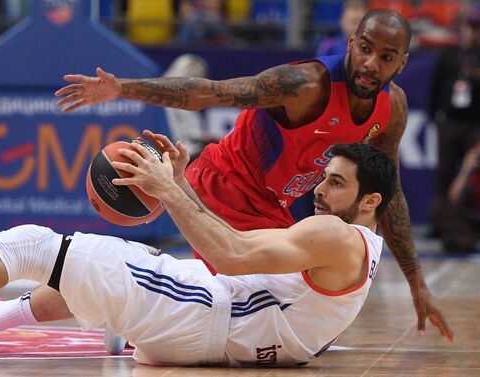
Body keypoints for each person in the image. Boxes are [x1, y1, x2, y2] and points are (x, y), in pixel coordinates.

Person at [53, 8, 453, 341]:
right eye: (365, 49)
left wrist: (416, 281)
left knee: (295, 307)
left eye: (385, 57)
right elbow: (210, 91)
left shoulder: (392, 109)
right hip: (223, 183)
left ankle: (127, 289)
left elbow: (391, 191)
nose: (370, 63)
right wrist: (122, 87)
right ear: (351, 43)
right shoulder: (304, 84)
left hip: (270, 205)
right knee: (265, 312)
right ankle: (124, 301)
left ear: (402, 63)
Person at [0, 142, 396, 366]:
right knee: (103, 266)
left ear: (370, 200)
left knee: (34, 246)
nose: (320, 188)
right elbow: (230, 251)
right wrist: (179, 186)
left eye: (337, 183)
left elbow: (233, 254)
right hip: (209, 322)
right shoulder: (359, 250)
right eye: (325, 176)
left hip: (198, 316)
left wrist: (163, 189)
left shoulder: (335, 234)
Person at [428, 7, 480, 244]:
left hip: (475, 125)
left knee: (473, 174)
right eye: (470, 27)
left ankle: (470, 223)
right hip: (449, 123)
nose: (473, 33)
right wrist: (435, 117)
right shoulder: (450, 54)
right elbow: (436, 87)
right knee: (444, 174)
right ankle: (440, 223)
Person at [434, 140, 480, 252]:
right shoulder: (470, 173)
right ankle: (465, 240)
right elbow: (453, 198)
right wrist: (465, 169)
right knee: (439, 207)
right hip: (471, 219)